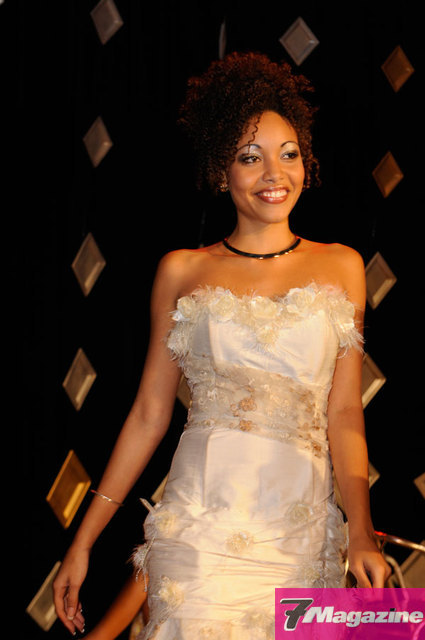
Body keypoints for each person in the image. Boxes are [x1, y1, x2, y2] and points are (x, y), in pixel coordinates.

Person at [53, 51, 391, 638]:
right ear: (220, 170)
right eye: (250, 157)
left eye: (289, 155)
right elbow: (149, 414)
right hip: (198, 528)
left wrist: (360, 530)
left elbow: (343, 412)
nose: (274, 174)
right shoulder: (181, 271)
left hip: (298, 534)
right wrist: (82, 542)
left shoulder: (342, 266)